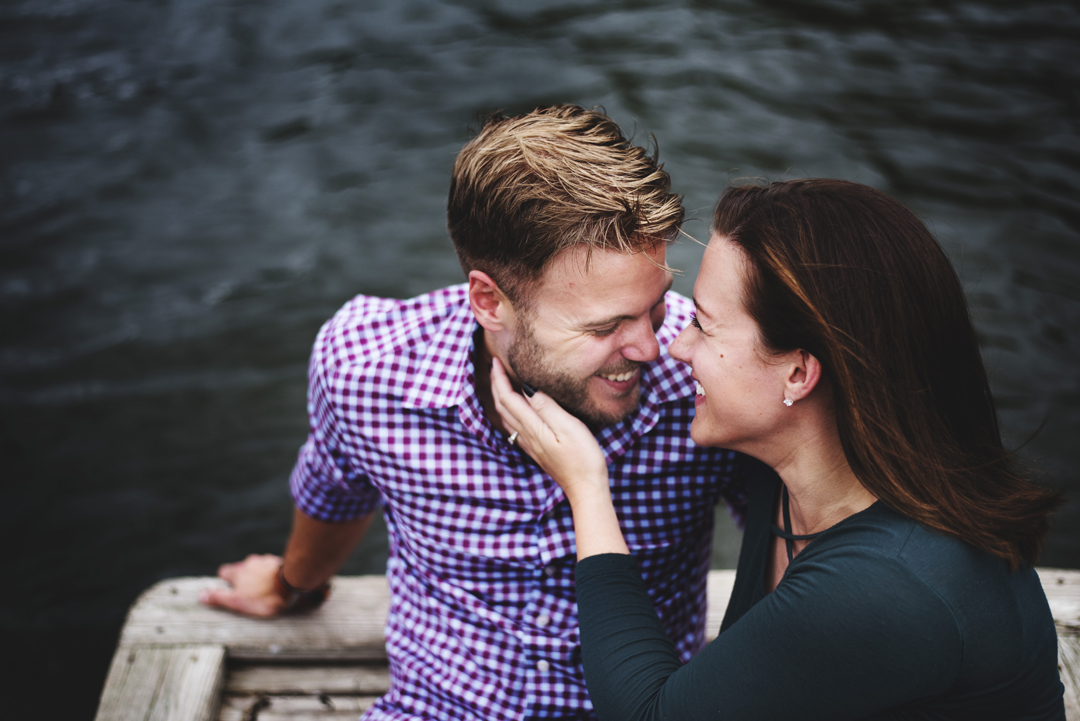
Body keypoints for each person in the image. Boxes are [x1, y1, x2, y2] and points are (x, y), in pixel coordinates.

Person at [199, 105, 748, 720]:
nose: (651, 347)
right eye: (605, 326)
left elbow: (794, 538)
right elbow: (334, 493)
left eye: (653, 304)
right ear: (490, 301)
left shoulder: (706, 380)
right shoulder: (364, 369)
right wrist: (291, 585)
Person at [491, 178, 1067, 719]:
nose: (676, 348)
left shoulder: (884, 585)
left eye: (705, 325)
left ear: (797, 374)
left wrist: (586, 489)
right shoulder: (791, 465)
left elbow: (651, 714)